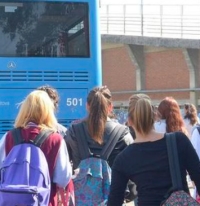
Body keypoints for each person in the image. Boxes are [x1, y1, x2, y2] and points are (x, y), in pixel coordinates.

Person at [107, 94, 200, 206]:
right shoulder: (178, 141)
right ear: (154, 115)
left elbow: (114, 201)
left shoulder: (123, 158)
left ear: (129, 121)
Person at [0, 90, 72, 206]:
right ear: (48, 111)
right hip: (43, 201)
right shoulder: (56, 140)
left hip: (10, 201)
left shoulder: (9, 137)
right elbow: (62, 179)